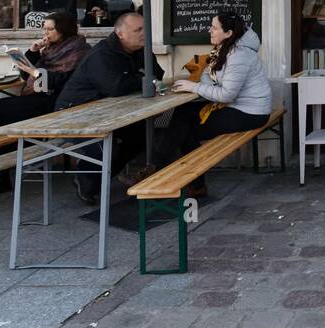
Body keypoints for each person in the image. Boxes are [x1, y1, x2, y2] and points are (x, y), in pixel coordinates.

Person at [0, 12, 90, 200]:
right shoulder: (51, 49)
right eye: (44, 28)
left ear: (63, 30)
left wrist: (34, 71)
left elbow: (62, 82)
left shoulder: (78, 50)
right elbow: (27, 78)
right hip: (39, 98)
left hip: (56, 103)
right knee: (0, 122)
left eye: (50, 29)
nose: (46, 32)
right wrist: (32, 53)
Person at [157, 11, 272, 198]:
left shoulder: (239, 55)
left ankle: (160, 172)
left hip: (250, 113)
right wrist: (198, 86)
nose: (209, 30)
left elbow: (226, 94)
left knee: (185, 129)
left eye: (214, 27)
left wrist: (194, 87)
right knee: (183, 113)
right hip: (235, 107)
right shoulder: (222, 50)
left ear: (228, 33)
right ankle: (179, 178)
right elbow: (207, 77)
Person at [55, 12, 164, 204]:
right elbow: (115, 86)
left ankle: (97, 177)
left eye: (145, 29)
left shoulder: (141, 51)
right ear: (120, 34)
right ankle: (86, 181)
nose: (144, 34)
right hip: (74, 113)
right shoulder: (102, 54)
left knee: (140, 134)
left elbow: (157, 76)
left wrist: (142, 78)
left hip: (108, 112)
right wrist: (142, 78)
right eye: (138, 30)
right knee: (106, 144)